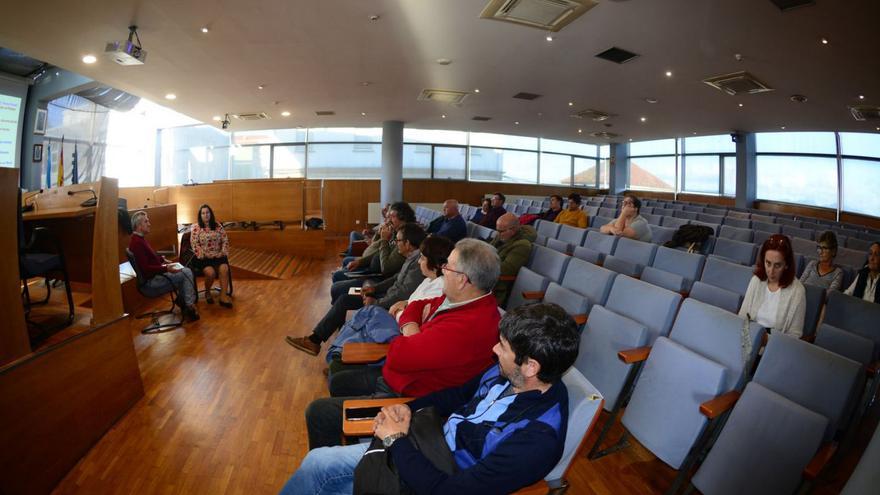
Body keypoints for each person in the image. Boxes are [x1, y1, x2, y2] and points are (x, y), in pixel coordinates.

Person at [280, 303, 580, 495]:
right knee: (317, 464)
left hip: (435, 478)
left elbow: (447, 490)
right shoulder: (509, 373)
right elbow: (456, 395)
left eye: (502, 346)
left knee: (321, 476)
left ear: (531, 366)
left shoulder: (537, 440)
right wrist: (405, 407)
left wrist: (394, 441)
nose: (494, 350)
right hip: (427, 445)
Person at [302, 238, 502, 449]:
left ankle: (348, 465)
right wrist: (413, 328)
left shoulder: (468, 325)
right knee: (339, 382)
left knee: (318, 412)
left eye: (447, 266)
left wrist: (410, 330)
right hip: (405, 377)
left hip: (412, 397)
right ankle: (358, 443)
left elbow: (399, 356)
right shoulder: (466, 299)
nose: (442, 270)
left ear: (462, 279)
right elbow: (417, 306)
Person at [286, 223, 427, 356]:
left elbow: (402, 293)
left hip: (390, 305)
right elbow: (395, 278)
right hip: (386, 297)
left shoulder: (418, 265)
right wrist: (374, 288)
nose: (396, 243)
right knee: (344, 300)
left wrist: (375, 303)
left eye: (398, 240)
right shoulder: (411, 258)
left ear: (408, 244)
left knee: (344, 302)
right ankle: (319, 343)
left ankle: (324, 346)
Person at [324, 236, 454, 374]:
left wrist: (399, 308)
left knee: (368, 313)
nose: (419, 262)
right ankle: (339, 354)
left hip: (401, 332)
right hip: (396, 320)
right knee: (364, 317)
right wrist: (404, 304)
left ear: (434, 263)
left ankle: (338, 354)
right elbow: (412, 303)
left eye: (422, 258)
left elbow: (416, 318)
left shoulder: (440, 286)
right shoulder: (429, 280)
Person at [330, 201, 415, 302]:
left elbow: (386, 268)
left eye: (392, 217)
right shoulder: (395, 231)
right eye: (388, 217)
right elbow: (378, 250)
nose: (389, 220)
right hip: (371, 269)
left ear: (402, 217)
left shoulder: (404, 238)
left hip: (378, 277)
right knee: (338, 277)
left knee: (336, 289)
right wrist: (360, 262)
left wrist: (384, 240)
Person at [129, 211, 199, 321]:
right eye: (146, 221)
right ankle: (190, 306)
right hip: (151, 283)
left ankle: (184, 302)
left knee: (183, 271)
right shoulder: (137, 243)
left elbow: (150, 257)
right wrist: (166, 268)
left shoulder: (138, 239)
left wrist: (162, 260)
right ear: (139, 226)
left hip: (156, 276)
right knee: (187, 273)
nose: (149, 224)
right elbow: (146, 269)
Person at [739, 234, 806, 338]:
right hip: (748, 340)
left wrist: (767, 339)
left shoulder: (797, 291)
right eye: (768, 263)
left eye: (778, 265)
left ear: (786, 265)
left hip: (774, 348)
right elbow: (742, 316)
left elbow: (794, 335)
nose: (771, 271)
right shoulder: (756, 280)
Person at [189, 204, 232, 307]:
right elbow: (194, 244)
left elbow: (225, 240)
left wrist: (222, 252)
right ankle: (207, 292)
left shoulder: (217, 225)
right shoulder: (196, 228)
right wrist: (204, 255)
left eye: (207, 212)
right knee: (210, 273)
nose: (205, 215)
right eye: (203, 213)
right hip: (204, 258)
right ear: (200, 215)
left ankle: (223, 297)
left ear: (211, 214)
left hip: (218, 255)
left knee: (224, 268)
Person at [491, 212, 537, 306]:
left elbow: (506, 270)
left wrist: (482, 263)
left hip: (497, 285)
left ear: (513, 230)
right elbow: (487, 249)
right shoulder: (502, 235)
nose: (498, 234)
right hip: (487, 276)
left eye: (501, 231)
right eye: (497, 230)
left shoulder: (522, 245)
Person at [799, 231, 844, 295]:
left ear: (833, 251)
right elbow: (800, 285)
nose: (820, 252)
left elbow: (829, 296)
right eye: (819, 248)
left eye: (824, 248)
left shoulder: (838, 272)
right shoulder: (812, 264)